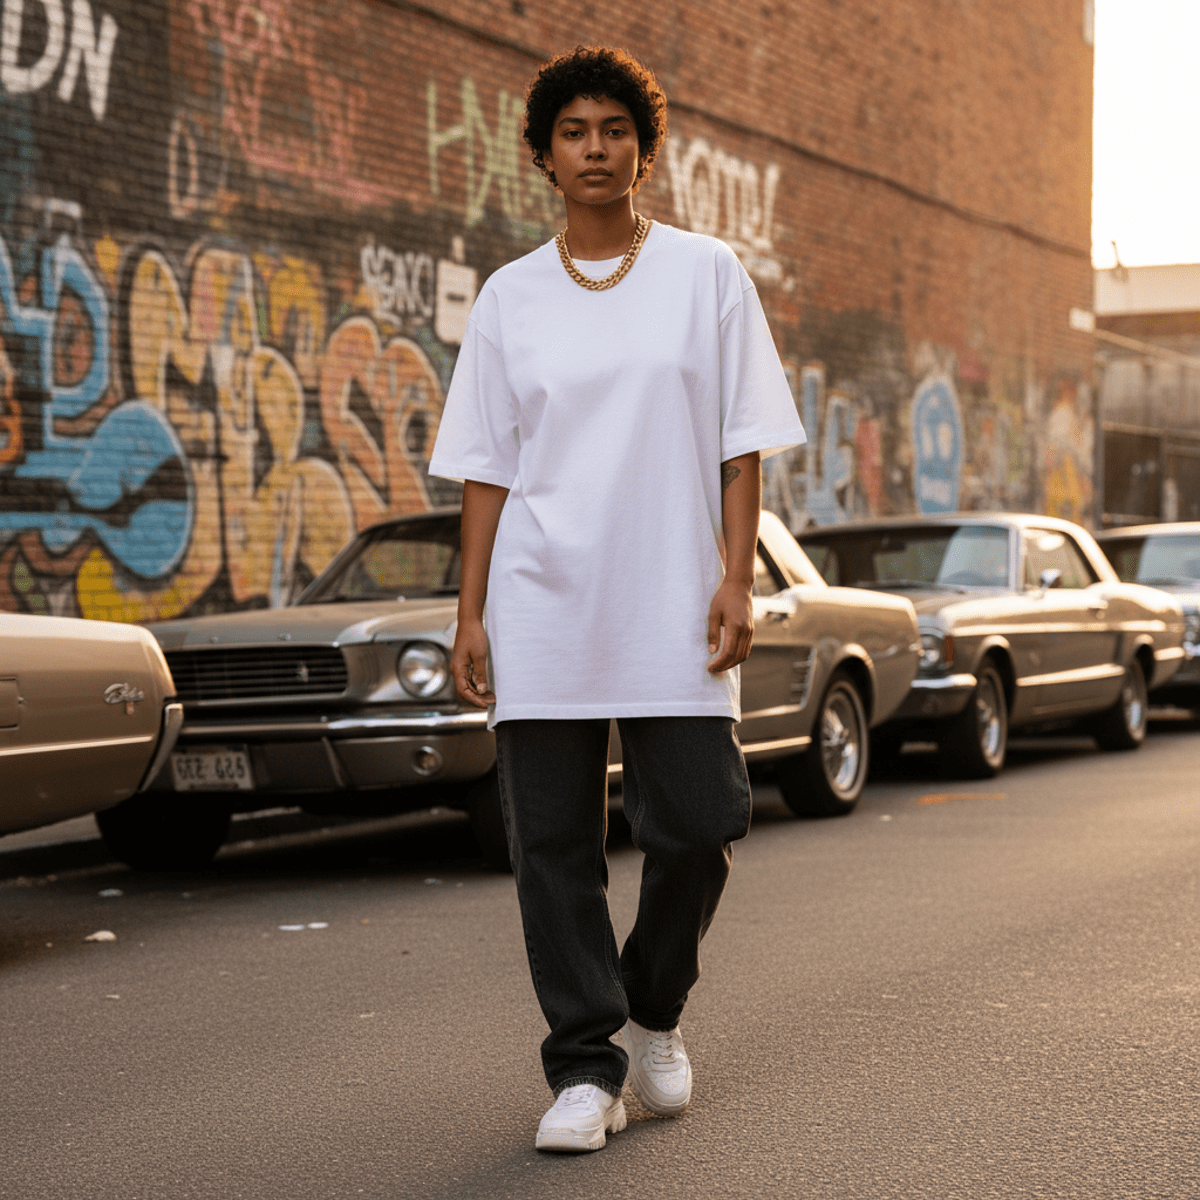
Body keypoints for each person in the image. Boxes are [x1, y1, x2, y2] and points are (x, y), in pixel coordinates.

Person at [427, 45, 805, 1153]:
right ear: (545, 157)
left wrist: (735, 577)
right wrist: (470, 611)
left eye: (614, 130)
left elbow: (743, 447)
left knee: (700, 820)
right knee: (552, 840)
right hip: (543, 597)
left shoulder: (706, 274)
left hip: (675, 596)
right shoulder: (510, 296)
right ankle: (586, 1068)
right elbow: (488, 466)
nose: (596, 148)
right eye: (574, 133)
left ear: (645, 147)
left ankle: (656, 1006)